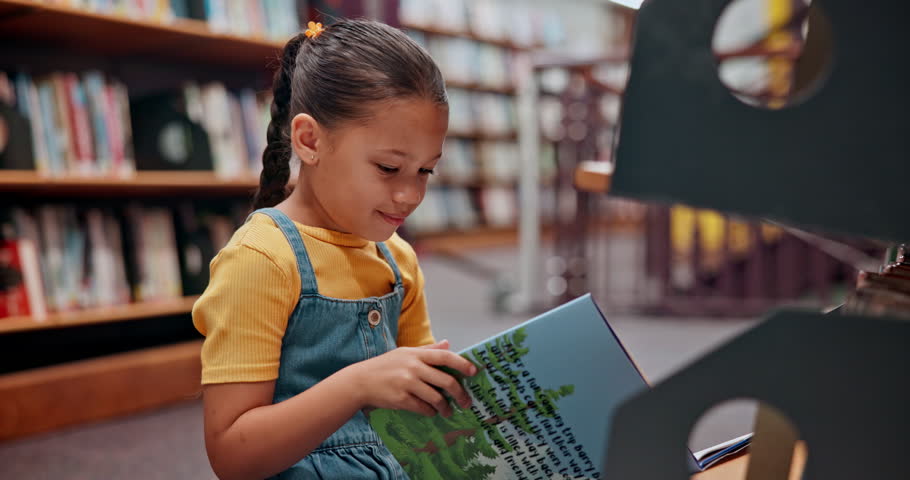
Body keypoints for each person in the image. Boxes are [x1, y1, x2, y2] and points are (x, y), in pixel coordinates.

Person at [192, 19, 478, 480]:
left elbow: (420, 420)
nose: (410, 195)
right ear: (309, 141)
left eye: (426, 171)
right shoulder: (260, 259)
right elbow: (232, 455)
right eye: (389, 167)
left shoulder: (397, 259)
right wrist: (358, 385)